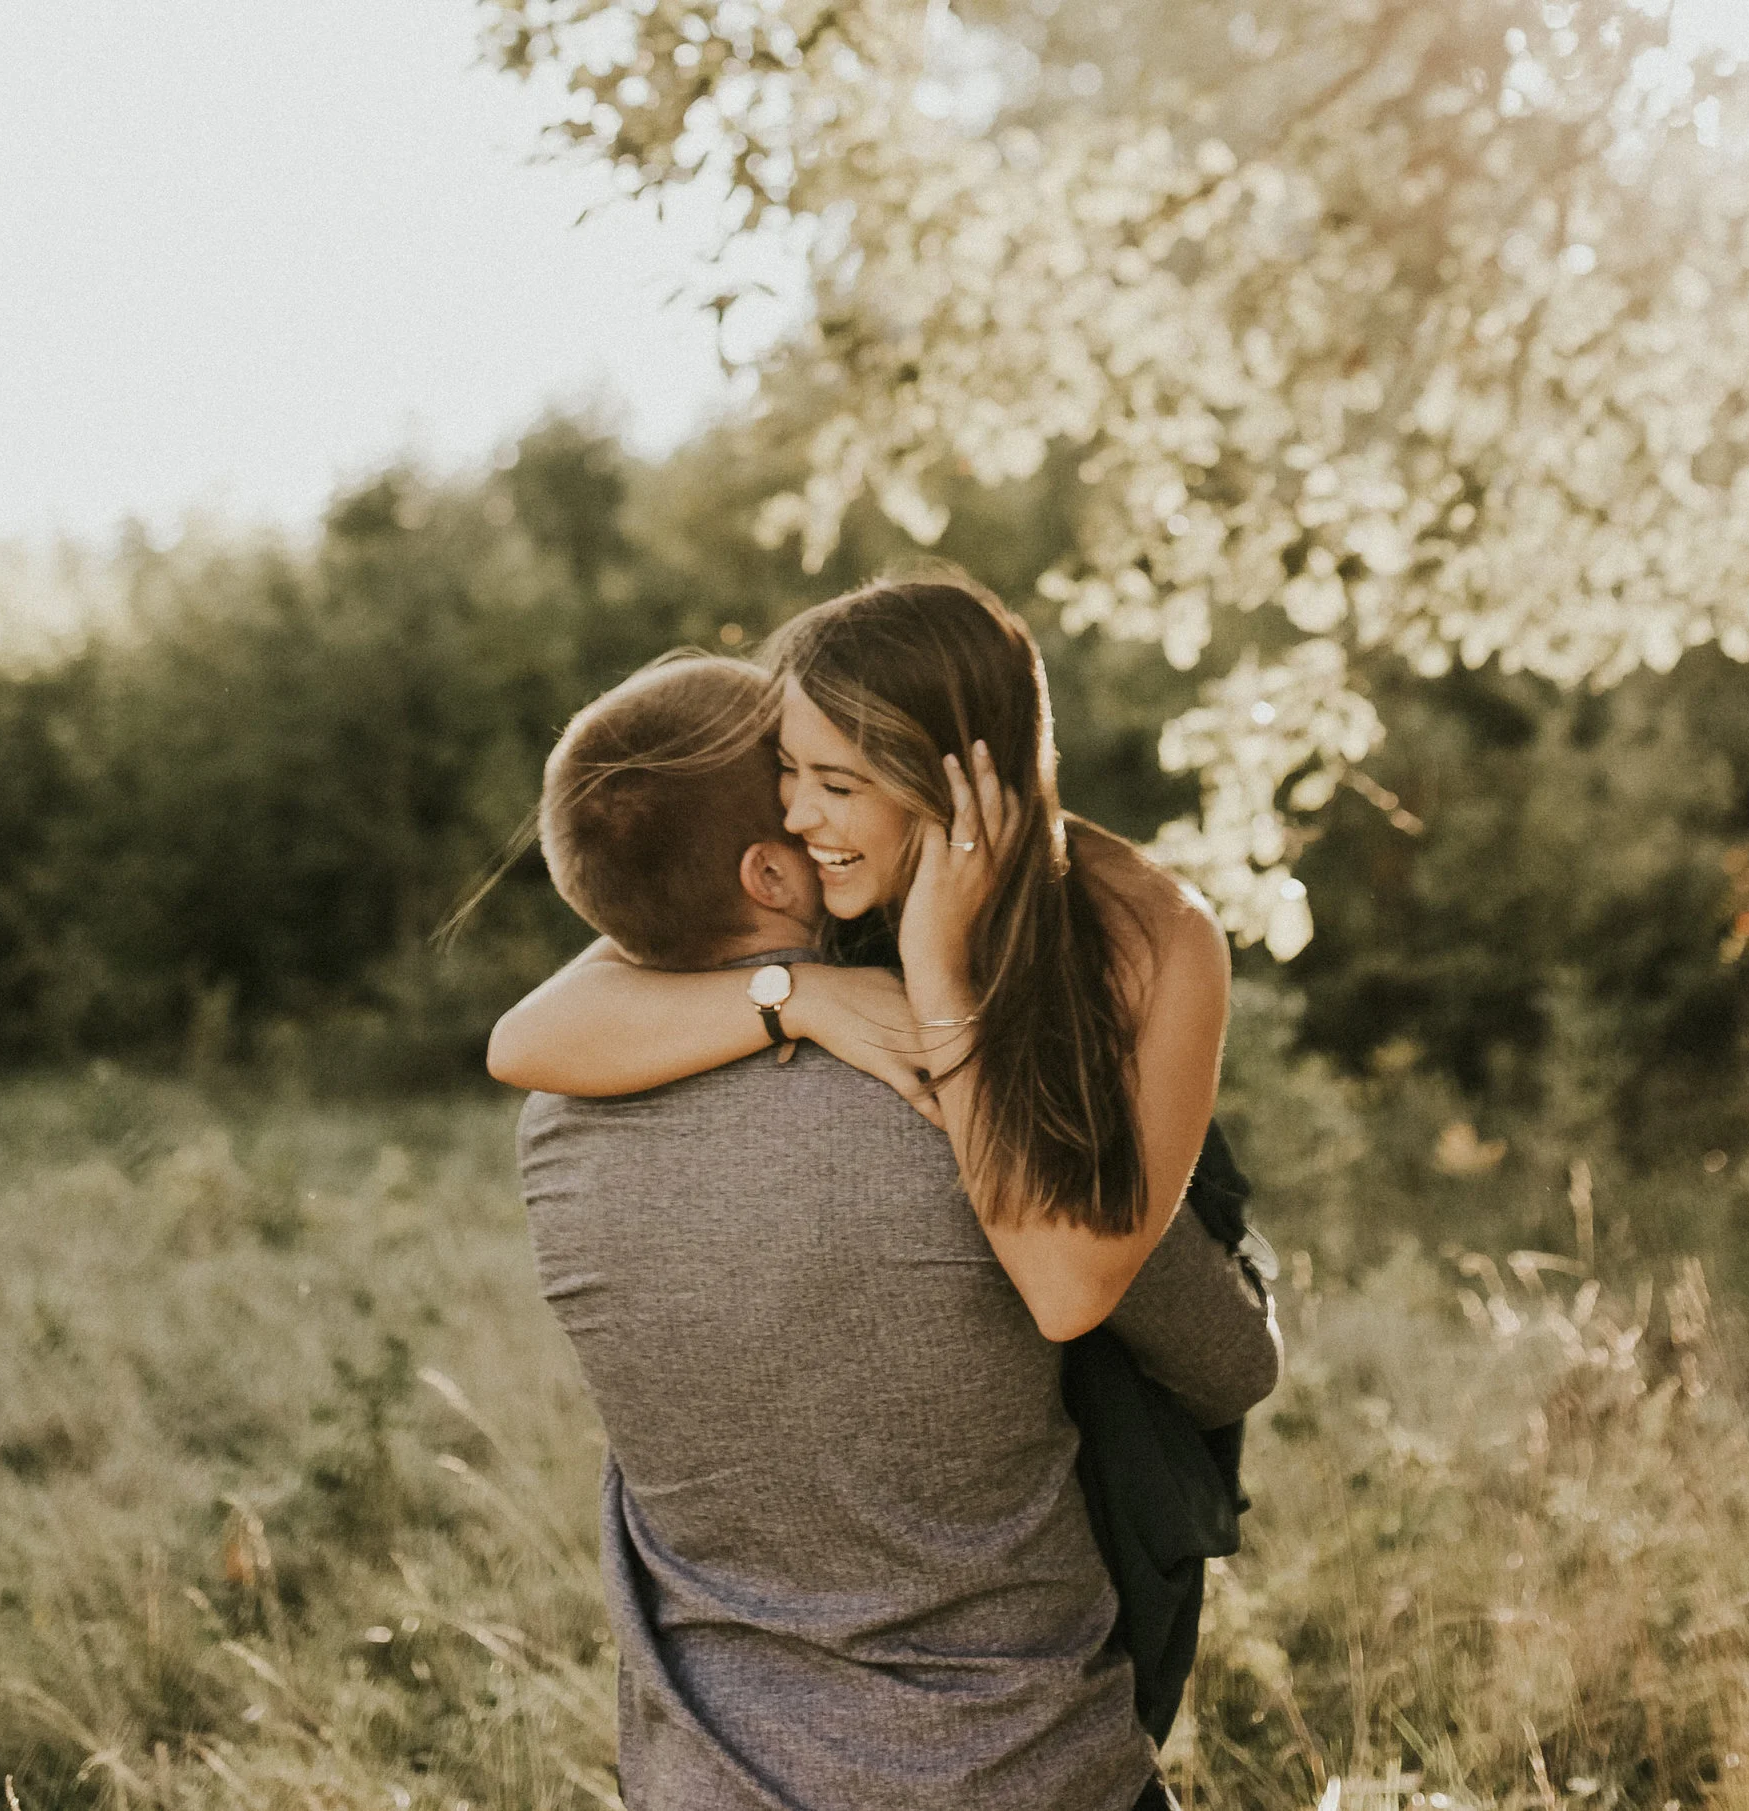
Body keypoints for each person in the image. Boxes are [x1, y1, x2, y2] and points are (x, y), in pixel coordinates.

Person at [504, 651, 1278, 1809]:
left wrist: (793, 990)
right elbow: (1228, 1360)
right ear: (771, 869)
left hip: (705, 1780)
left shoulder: (554, 1125)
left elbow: (618, 921)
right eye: (805, 789)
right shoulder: (963, 1098)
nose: (837, 810)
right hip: (1024, 1772)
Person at [490, 573, 1239, 1347]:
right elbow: (522, 1040)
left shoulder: (1161, 936)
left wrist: (939, 970)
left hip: (1144, 1390)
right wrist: (800, 995)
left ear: (944, 780)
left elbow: (1066, 1292)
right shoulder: (837, 872)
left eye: (838, 783)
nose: (795, 812)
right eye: (788, 764)